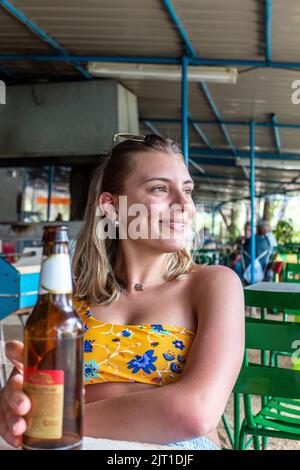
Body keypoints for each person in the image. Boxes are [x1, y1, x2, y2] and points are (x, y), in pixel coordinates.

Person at [0, 134, 244, 450]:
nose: (185, 205)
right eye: (160, 189)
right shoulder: (68, 291)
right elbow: (35, 386)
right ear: (112, 207)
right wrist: (16, 398)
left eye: (187, 190)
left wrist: (57, 419)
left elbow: (194, 412)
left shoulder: (213, 284)